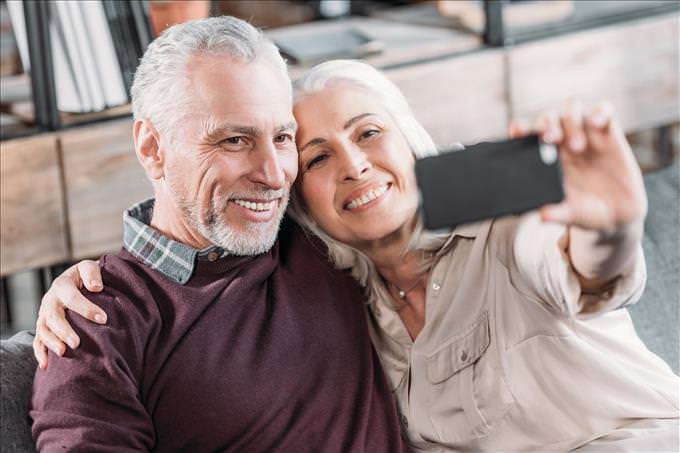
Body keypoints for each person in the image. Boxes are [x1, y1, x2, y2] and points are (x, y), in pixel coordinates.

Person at [35, 61, 680, 451]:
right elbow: (205, 223)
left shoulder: (500, 221)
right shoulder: (337, 292)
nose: (355, 164)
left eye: (369, 132)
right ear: (301, 199)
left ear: (413, 142)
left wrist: (616, 224)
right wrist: (90, 281)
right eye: (316, 156)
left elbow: (587, 267)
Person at [28, 18, 409, 452]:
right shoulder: (93, 326)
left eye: (283, 137)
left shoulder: (317, 228)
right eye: (234, 140)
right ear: (153, 148)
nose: (273, 175)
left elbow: (416, 192)